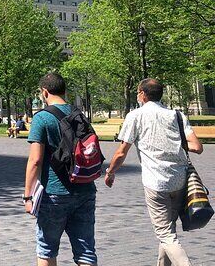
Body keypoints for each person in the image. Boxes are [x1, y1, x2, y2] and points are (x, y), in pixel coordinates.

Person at [105, 78, 203, 266]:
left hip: (156, 183)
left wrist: (110, 172)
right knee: (168, 230)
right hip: (180, 180)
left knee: (165, 234)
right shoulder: (177, 115)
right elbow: (197, 147)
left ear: (143, 94)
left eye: (137, 92)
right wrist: (173, 145)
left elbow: (121, 152)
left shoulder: (135, 116)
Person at [24, 72, 97, 266]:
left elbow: (35, 160)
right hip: (85, 188)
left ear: (44, 92)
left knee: (46, 249)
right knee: (86, 252)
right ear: (64, 91)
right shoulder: (79, 114)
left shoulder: (42, 118)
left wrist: (27, 196)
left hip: (53, 194)